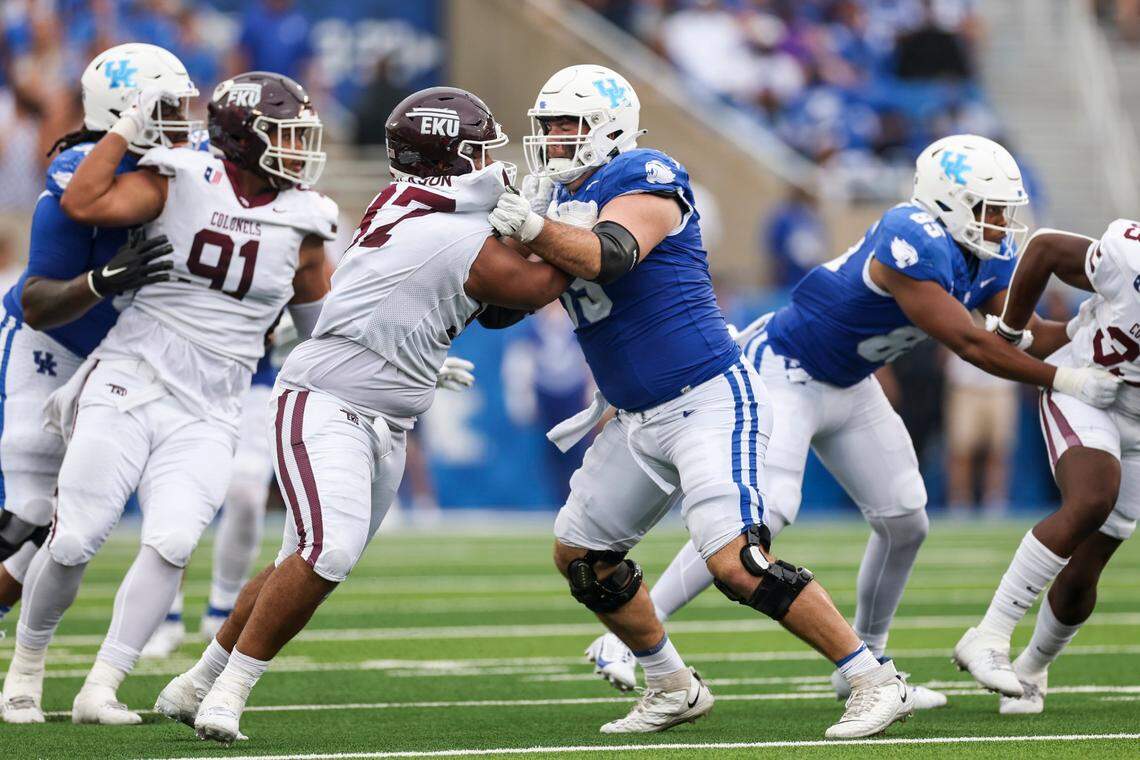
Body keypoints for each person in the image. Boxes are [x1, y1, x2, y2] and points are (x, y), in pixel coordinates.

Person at [568, 134, 1123, 713]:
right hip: (785, 368)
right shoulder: (911, 236)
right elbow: (970, 343)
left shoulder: (988, 253)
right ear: (949, 201)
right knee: (763, 514)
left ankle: (870, 662)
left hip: (849, 381)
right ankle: (626, 636)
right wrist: (1067, 380)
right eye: (990, 210)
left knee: (905, 519)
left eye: (1005, 211)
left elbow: (1020, 332)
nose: (1002, 224)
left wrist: (1095, 328)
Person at [488, 63, 925, 740]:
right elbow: (504, 307)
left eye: (569, 125)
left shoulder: (645, 173)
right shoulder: (556, 201)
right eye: (547, 126)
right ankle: (672, 686)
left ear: (610, 129)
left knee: (737, 563)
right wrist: (490, 246)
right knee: (582, 558)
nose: (554, 139)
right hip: (634, 416)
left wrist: (534, 228)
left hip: (707, 399)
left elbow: (611, 254)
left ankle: (873, 679)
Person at [155, 86, 571, 745]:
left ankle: (196, 680)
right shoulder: (445, 228)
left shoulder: (425, 207)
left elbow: (487, 301)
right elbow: (534, 285)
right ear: (447, 160)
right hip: (329, 401)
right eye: (481, 151)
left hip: (385, 413)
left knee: (301, 558)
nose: (496, 163)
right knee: (328, 552)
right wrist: (567, 227)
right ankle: (230, 693)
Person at [1, 69, 337, 725]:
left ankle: (101, 686)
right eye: (285, 134)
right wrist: (129, 123)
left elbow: (321, 330)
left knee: (175, 541)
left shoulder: (307, 220)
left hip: (213, 405)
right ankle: (25, 671)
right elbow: (83, 201)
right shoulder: (182, 175)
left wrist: (394, 357)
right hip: (132, 377)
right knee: (73, 540)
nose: (298, 149)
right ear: (243, 137)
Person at [0, 42, 182, 633]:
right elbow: (37, 304)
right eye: (167, 108)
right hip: (48, 347)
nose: (182, 120)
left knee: (69, 518)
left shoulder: (179, 170)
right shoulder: (76, 182)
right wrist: (101, 281)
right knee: (30, 508)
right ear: (127, 111)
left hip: (116, 357)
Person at [954, 219, 1140, 714]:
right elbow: (1046, 249)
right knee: (1093, 497)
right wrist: (1012, 329)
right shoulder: (1130, 259)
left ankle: (1033, 668)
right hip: (1087, 387)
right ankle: (989, 633)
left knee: (1084, 572)